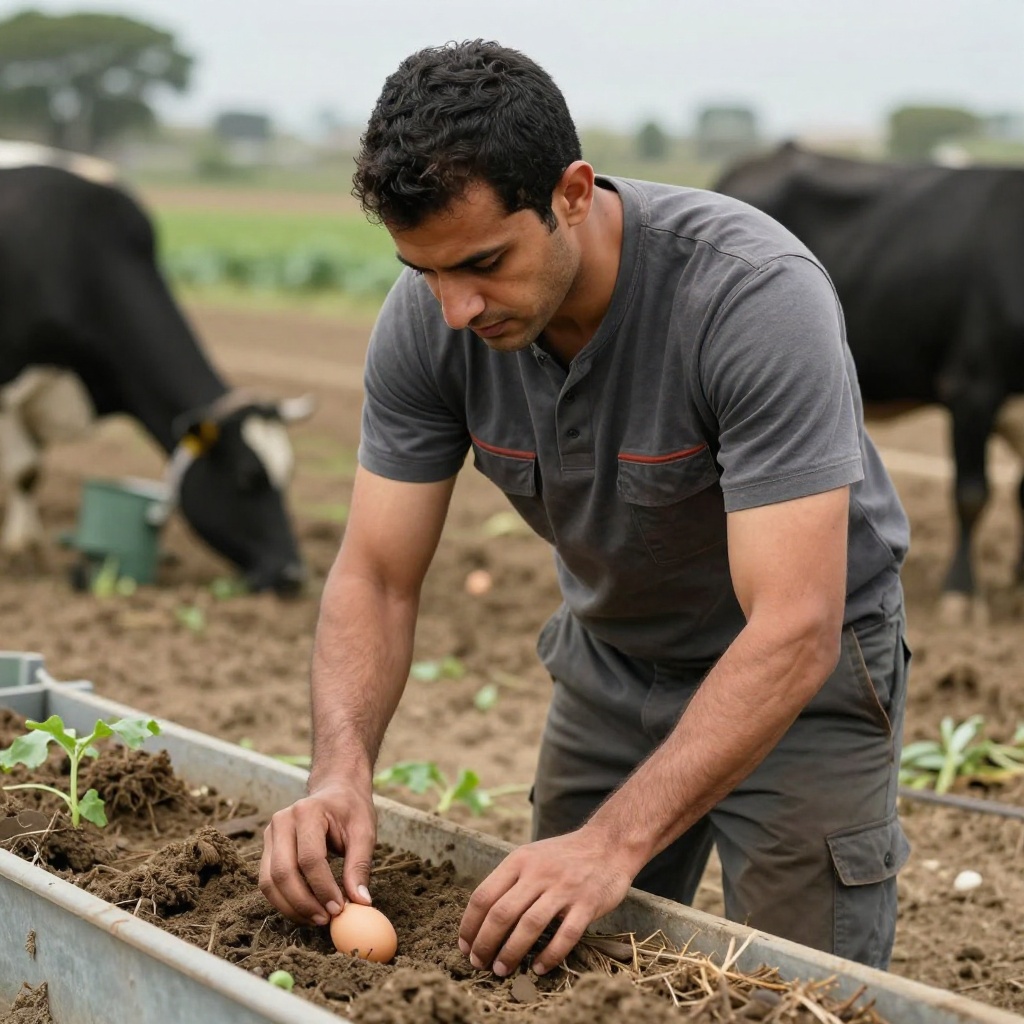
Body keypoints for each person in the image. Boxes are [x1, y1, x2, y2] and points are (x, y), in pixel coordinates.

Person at [259, 38, 911, 978]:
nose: (455, 308)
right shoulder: (432, 320)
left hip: (798, 676)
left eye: (483, 261)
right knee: (548, 960)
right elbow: (376, 575)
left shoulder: (748, 296)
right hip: (613, 662)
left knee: (796, 984)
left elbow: (796, 627)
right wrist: (339, 771)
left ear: (571, 190)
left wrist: (612, 845)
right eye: (424, 270)